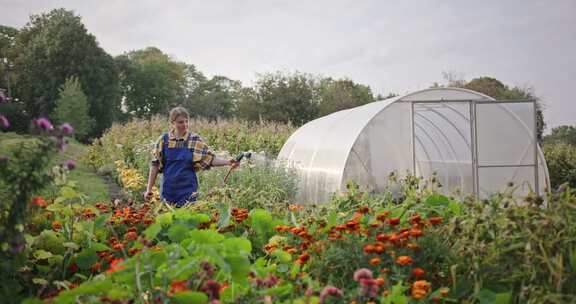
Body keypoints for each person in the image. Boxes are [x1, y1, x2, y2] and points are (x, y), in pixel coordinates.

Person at [143, 106, 239, 207]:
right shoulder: (163, 140)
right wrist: (148, 189)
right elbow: (155, 165)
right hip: (168, 191)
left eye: (186, 121)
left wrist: (228, 162)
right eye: (180, 122)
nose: (184, 124)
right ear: (172, 123)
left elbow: (210, 159)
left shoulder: (194, 140)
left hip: (188, 192)